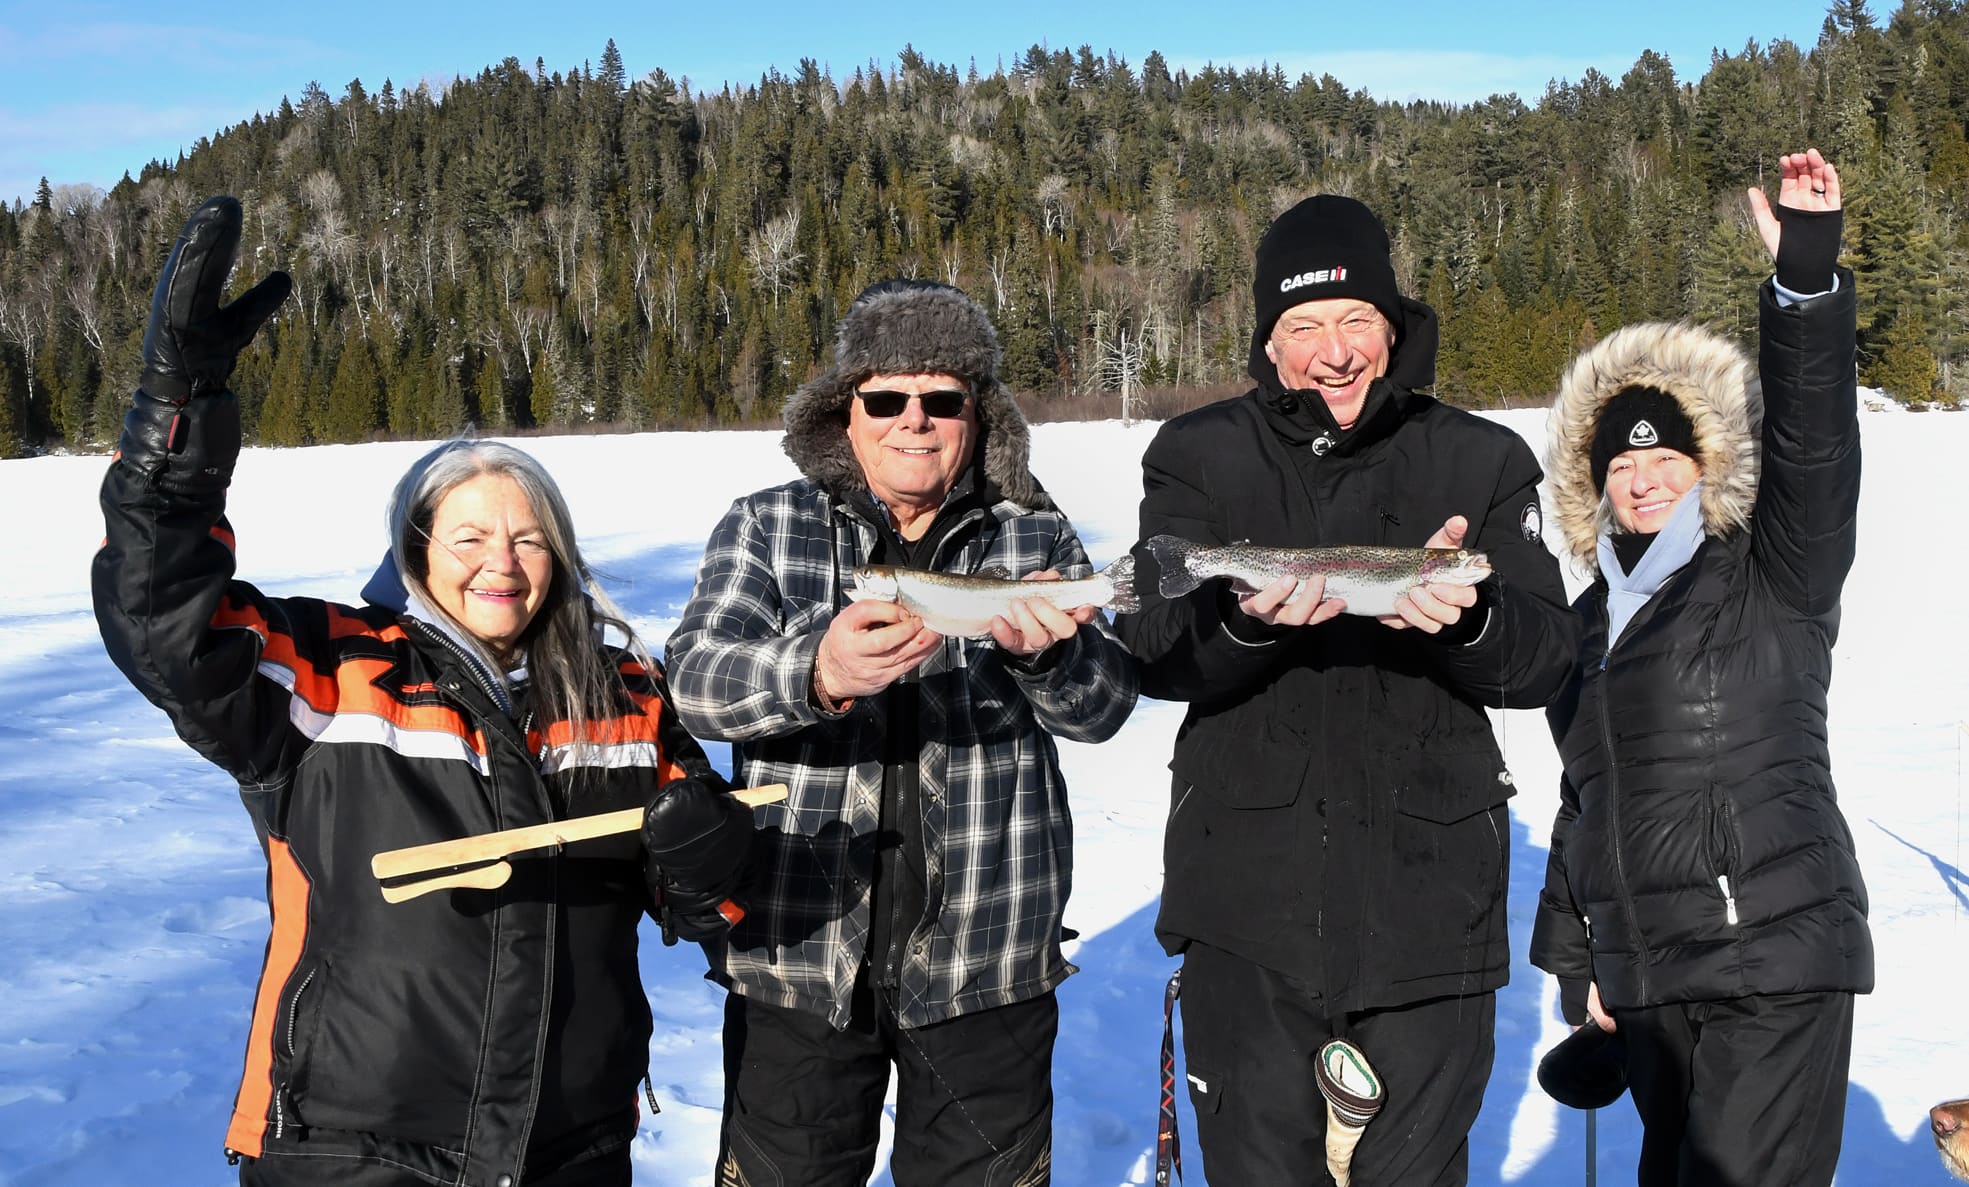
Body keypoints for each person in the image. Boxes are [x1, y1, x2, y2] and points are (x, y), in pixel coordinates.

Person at [92, 196, 754, 1186]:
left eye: (529, 538)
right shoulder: (331, 666)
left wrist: (709, 866)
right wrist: (176, 411)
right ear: (416, 549)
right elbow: (163, 624)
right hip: (352, 1149)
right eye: (470, 536)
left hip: (570, 1145)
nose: (503, 563)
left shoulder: (625, 691)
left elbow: (708, 901)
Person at [1115, 194, 1581, 1185]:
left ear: (1393, 325)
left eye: (1356, 320)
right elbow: (1149, 647)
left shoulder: (1480, 458)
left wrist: (1471, 621)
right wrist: (1243, 625)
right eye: (1303, 327)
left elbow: (1546, 656)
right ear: (1267, 342)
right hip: (1244, 908)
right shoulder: (1196, 455)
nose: (1333, 353)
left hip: (1431, 909)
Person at [664, 278, 1138, 1186]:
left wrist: (1050, 657)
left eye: (941, 399)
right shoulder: (768, 524)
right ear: (845, 413)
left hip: (987, 959)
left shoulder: (1032, 536)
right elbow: (694, 681)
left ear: (976, 416)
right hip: (796, 952)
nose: (912, 420)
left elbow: (1105, 706)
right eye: (886, 398)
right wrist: (816, 672)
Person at [1529, 148, 1871, 1187]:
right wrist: (1580, 962)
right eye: (1620, 463)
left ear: (1705, 464)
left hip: (1770, 962)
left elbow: (1812, 451)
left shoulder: (1773, 572)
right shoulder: (1585, 625)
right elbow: (1585, 801)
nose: (1640, 480)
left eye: (1663, 459)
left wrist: (1803, 281)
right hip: (1651, 982)